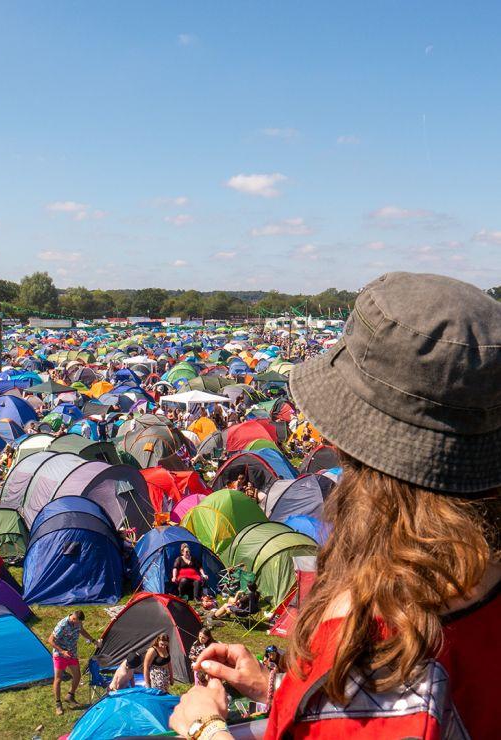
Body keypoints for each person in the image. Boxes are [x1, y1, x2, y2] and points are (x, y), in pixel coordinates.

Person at [170, 273, 501, 740]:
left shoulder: (386, 645)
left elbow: (385, 714)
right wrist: (278, 688)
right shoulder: (475, 588)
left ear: (352, 448)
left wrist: (204, 727)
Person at [48, 610, 100, 716]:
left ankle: (70, 696)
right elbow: (50, 640)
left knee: (77, 676)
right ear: (73, 618)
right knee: (58, 679)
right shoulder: (62, 625)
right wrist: (62, 652)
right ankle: (58, 704)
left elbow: (82, 631)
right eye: (78, 623)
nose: (79, 625)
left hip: (72, 653)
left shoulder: (78, 622)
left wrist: (93, 640)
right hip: (60, 655)